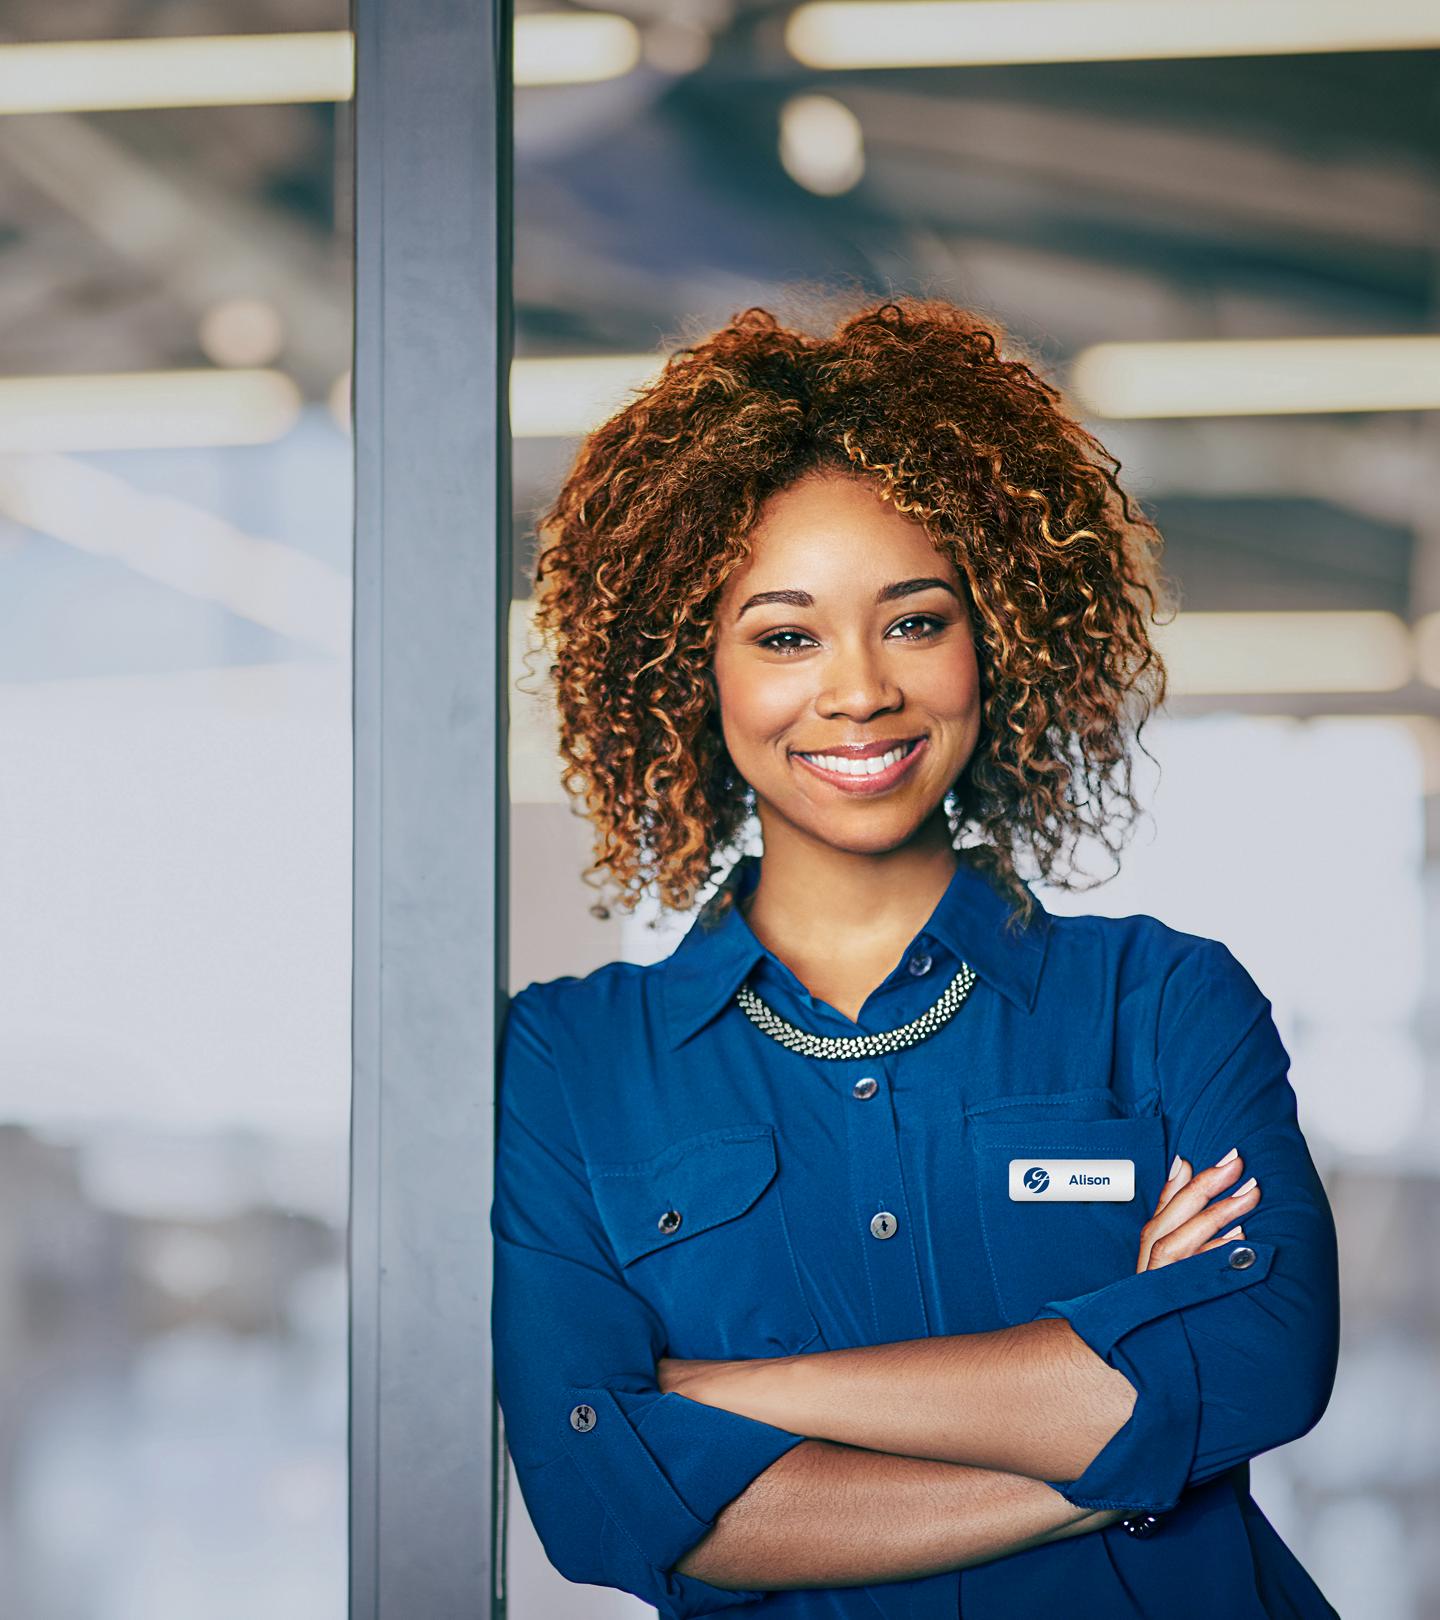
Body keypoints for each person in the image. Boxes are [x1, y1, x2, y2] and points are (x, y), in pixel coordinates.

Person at [490, 295, 1341, 1620]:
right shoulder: (568, 1063)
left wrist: (730, 1397)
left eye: (916, 619)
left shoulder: (1166, 1004)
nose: (860, 689)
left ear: (996, 635)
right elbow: (606, 1498)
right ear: (686, 671)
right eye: (784, 635)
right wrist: (1121, 1448)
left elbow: (1261, 1363)